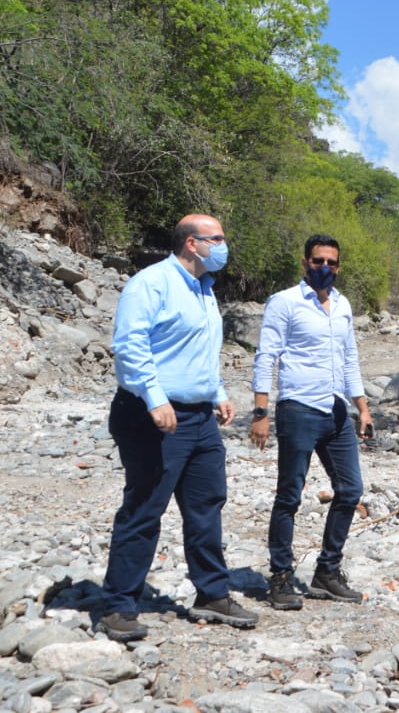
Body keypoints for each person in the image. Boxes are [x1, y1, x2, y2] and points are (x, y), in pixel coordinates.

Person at [96, 214, 258, 642]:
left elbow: (198, 350)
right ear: (191, 243)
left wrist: (217, 391)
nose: (223, 246)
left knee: (207, 505)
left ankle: (212, 593)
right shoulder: (151, 283)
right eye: (216, 239)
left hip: (200, 417)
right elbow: (130, 345)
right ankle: (118, 605)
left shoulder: (205, 289)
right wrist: (155, 397)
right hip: (153, 416)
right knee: (145, 508)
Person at [250, 232, 373, 609]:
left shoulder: (342, 305)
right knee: (289, 495)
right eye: (318, 261)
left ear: (339, 266)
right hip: (298, 409)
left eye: (331, 263)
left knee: (350, 490)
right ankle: (281, 577)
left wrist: (363, 408)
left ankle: (327, 572)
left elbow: (349, 359)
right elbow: (266, 355)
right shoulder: (284, 302)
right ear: (305, 262)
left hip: (335, 410)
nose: (324, 267)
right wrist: (260, 411)